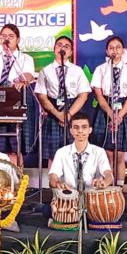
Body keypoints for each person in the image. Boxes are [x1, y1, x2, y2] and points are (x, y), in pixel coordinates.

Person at [0, 23, 36, 164]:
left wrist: (21, 80)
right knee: (0, 146)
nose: (7, 39)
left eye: (11, 36)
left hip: (18, 100)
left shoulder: (25, 59)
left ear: (18, 40)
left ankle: (17, 182)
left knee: (17, 146)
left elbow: (28, 76)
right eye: (3, 36)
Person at [45, 112, 114, 226]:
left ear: (90, 130)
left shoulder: (99, 152)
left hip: (92, 201)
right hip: (69, 200)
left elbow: (108, 174)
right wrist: (57, 183)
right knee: (46, 210)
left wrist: (104, 182)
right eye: (76, 128)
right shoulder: (62, 152)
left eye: (84, 127)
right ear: (71, 131)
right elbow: (52, 176)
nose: (80, 131)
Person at [91, 36, 127, 187]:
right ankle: (107, 186)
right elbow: (98, 94)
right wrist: (111, 113)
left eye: (118, 47)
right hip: (105, 108)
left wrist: (120, 115)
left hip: (123, 109)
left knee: (120, 154)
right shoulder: (100, 70)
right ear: (107, 51)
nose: (115, 50)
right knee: (107, 153)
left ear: (123, 51)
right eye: (111, 47)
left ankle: (119, 189)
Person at [35, 36, 91, 165]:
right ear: (54, 49)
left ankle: (73, 183)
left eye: (66, 46)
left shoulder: (77, 71)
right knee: (53, 154)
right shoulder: (45, 71)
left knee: (75, 151)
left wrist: (68, 115)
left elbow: (83, 95)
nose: (62, 48)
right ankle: (53, 184)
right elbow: (42, 97)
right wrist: (58, 114)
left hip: (73, 109)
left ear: (71, 52)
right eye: (59, 45)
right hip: (53, 109)